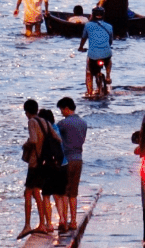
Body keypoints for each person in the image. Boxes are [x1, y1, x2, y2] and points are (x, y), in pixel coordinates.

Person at [22, 100, 57, 235]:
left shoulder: (32, 122)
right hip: (44, 161)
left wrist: (26, 145)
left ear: (27, 112)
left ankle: (27, 225)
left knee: (28, 193)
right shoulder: (45, 122)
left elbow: (33, 140)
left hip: (34, 162)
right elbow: (57, 138)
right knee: (36, 192)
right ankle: (42, 223)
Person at [55, 98, 89, 229]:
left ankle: (64, 221)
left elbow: (55, 137)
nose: (61, 113)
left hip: (66, 160)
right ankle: (74, 221)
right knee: (73, 193)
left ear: (66, 108)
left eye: (61, 110)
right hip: (78, 159)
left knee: (64, 191)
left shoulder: (63, 124)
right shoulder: (83, 123)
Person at [82, 6, 116, 98]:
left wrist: (81, 47)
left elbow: (84, 38)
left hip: (93, 55)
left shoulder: (88, 25)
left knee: (89, 72)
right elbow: (110, 41)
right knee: (108, 60)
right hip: (106, 53)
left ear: (93, 15)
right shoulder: (109, 26)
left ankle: (89, 93)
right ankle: (108, 76)